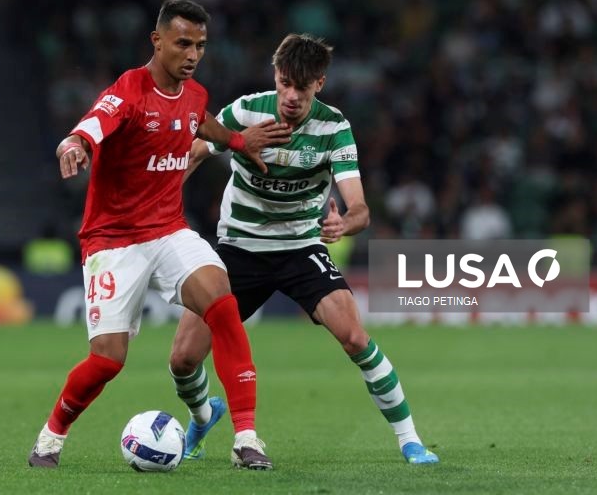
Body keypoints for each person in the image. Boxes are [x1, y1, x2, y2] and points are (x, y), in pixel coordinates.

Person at [28, 0, 291, 470]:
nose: (192, 54)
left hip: (168, 229)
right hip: (112, 240)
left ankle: (247, 437)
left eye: (201, 46)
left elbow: (199, 121)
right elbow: (95, 121)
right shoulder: (130, 89)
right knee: (107, 360)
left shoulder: (194, 94)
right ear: (158, 41)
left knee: (223, 305)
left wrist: (235, 141)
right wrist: (75, 143)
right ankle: (50, 437)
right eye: (183, 43)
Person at [169, 33, 440, 465]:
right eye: (285, 83)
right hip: (238, 248)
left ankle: (410, 441)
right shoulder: (245, 111)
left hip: (300, 248)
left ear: (320, 84)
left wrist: (343, 222)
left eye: (302, 86)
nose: (291, 96)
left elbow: (361, 210)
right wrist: (162, 195)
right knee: (183, 359)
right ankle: (202, 416)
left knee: (354, 337)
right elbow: (196, 150)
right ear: (276, 77)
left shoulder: (334, 128)